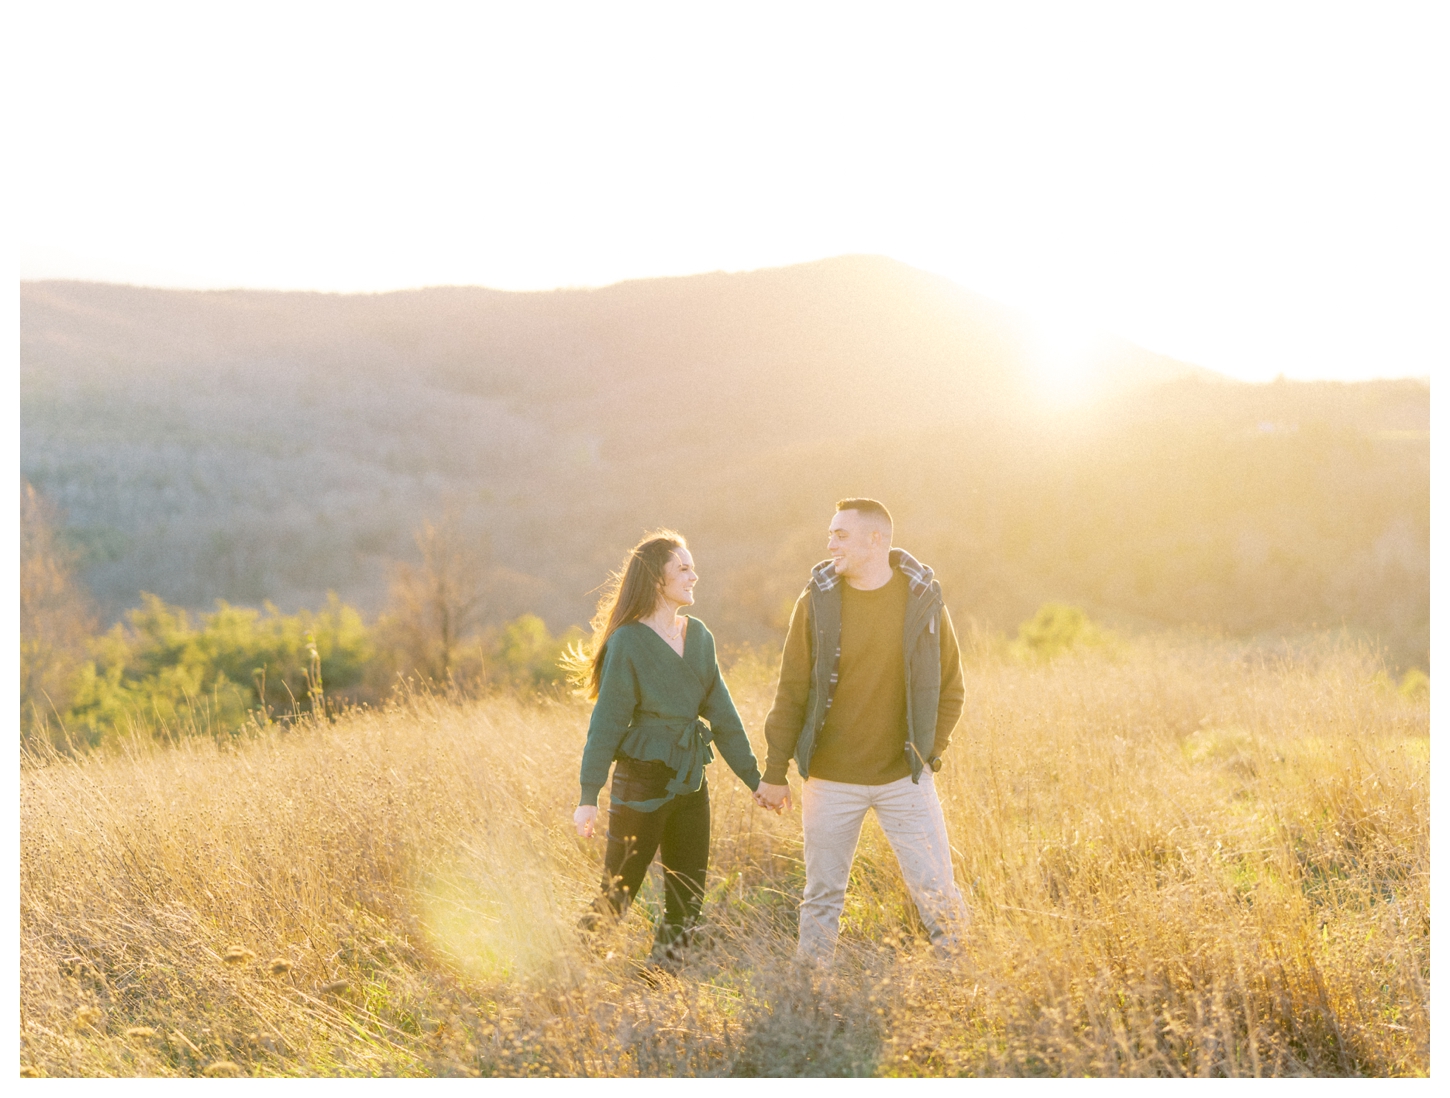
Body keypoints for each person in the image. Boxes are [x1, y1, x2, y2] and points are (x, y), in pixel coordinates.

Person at [754, 498, 969, 963]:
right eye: (830, 533)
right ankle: (808, 996)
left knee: (937, 892)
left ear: (877, 539)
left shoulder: (924, 600)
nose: (830, 543)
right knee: (822, 896)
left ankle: (966, 987)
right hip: (830, 780)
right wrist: (774, 772)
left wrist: (929, 752)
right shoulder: (815, 603)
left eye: (841, 534)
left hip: (904, 778)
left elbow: (952, 687)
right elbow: (791, 690)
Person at [572, 530, 763, 970]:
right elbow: (606, 723)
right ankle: (569, 974)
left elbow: (724, 716)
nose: (694, 576)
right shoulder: (628, 642)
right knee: (617, 893)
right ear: (657, 580)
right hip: (641, 778)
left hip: (690, 777)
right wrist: (588, 795)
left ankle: (659, 987)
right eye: (683, 568)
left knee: (688, 896)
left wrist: (757, 780)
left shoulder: (699, 637)